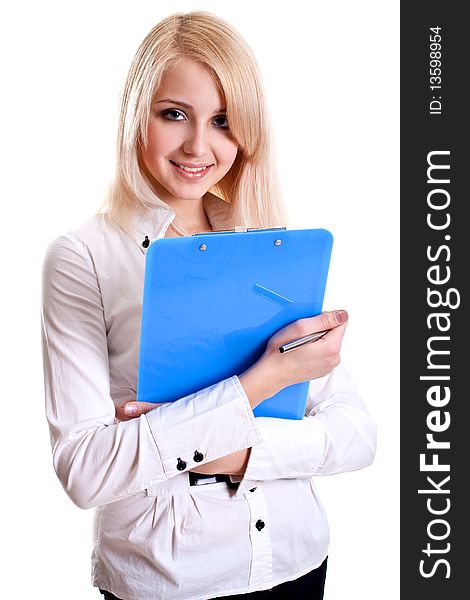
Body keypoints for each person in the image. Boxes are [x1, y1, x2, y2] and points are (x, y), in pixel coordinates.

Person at [41, 11, 377, 600]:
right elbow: (87, 469)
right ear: (135, 116)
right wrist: (268, 379)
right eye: (175, 115)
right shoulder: (84, 258)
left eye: (223, 121)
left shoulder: (267, 247)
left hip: (296, 564)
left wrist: (235, 455)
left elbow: (356, 435)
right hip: (169, 582)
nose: (200, 146)